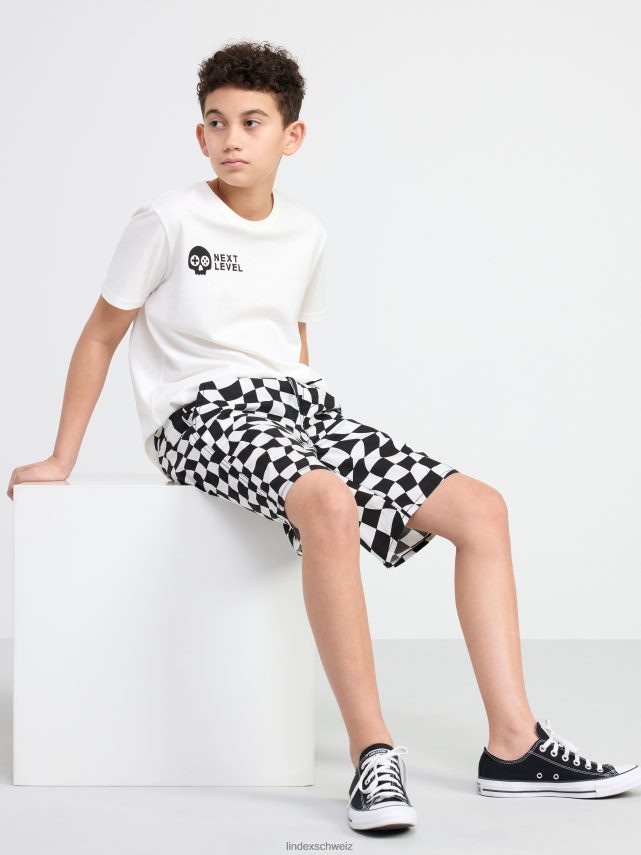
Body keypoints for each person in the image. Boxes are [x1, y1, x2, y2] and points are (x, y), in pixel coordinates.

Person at [7, 39, 640, 833]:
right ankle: (372, 751)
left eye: (252, 122)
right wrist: (62, 456)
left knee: (482, 509)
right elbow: (102, 334)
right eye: (215, 122)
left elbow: (292, 342)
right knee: (327, 501)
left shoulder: (305, 233)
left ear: (291, 135)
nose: (232, 138)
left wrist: (313, 427)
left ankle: (513, 746)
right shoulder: (166, 221)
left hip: (298, 409)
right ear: (199, 135)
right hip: (200, 417)